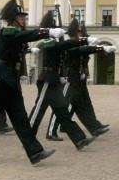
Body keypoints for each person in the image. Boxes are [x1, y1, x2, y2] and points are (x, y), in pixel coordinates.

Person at [0, 0, 57, 166]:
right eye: (21, 17)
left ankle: (35, 152)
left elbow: (18, 43)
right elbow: (21, 36)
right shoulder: (8, 31)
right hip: (0, 79)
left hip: (12, 80)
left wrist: (29, 48)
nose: (23, 19)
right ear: (13, 18)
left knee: (20, 118)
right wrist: (46, 32)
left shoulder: (15, 33)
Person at [27, 12, 96, 149]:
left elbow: (64, 50)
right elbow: (61, 47)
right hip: (47, 79)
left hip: (54, 80)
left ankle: (79, 139)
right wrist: (83, 40)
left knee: (63, 111)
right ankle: (28, 138)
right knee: (38, 110)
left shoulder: (56, 41)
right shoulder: (48, 41)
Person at [45, 19, 112, 141]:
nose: (82, 35)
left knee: (85, 105)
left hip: (79, 78)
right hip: (70, 77)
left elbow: (84, 52)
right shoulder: (70, 44)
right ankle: (51, 131)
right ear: (75, 33)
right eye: (80, 33)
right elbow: (82, 50)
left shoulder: (77, 43)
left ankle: (94, 127)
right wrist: (100, 48)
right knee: (62, 104)